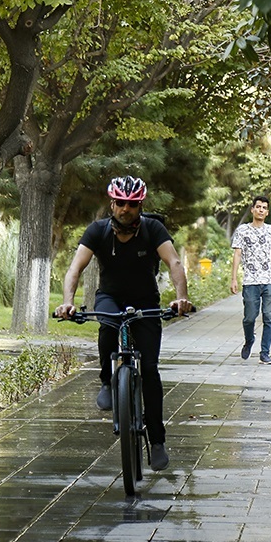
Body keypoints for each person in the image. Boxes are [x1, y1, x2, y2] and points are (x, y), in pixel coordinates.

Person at [54, 176, 193, 471]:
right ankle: (107, 380)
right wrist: (68, 302)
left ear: (139, 205)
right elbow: (75, 268)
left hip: (146, 301)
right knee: (107, 325)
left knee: (151, 372)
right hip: (110, 297)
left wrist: (181, 298)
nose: (125, 209)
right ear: (112, 204)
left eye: (131, 204)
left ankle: (157, 442)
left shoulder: (153, 229)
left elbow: (174, 263)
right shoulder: (97, 231)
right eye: (120, 203)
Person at [230, 195, 271, 364]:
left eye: (264, 208)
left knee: (269, 317)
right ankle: (249, 340)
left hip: (269, 281)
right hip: (250, 281)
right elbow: (237, 254)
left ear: (267, 212)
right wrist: (234, 279)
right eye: (258, 207)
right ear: (252, 209)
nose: (261, 210)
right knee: (249, 317)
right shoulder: (242, 230)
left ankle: (265, 352)